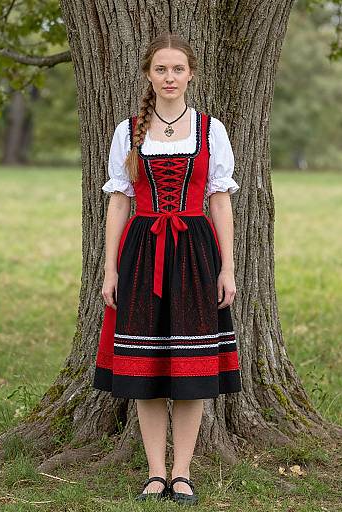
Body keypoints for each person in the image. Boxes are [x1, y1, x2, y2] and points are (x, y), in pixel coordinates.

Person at [92, 32, 242, 506]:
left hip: (196, 251)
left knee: (192, 366)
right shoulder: (128, 131)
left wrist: (228, 268)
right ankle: (155, 472)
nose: (170, 77)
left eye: (178, 69)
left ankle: (182, 473)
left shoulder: (210, 129)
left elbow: (220, 201)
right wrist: (110, 268)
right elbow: (119, 203)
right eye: (161, 69)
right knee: (146, 366)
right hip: (142, 253)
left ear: (191, 73)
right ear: (148, 74)